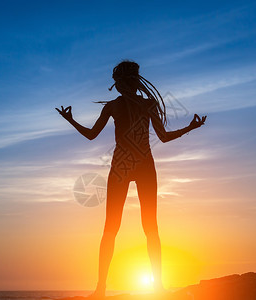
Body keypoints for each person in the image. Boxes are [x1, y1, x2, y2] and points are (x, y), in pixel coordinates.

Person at [56, 60, 206, 297]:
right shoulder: (140, 104)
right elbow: (163, 137)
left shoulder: (125, 106)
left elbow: (92, 135)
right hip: (137, 165)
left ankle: (105, 289)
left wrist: (190, 127)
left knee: (122, 228)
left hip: (125, 166)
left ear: (120, 83)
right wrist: (190, 127)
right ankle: (115, 288)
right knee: (137, 228)